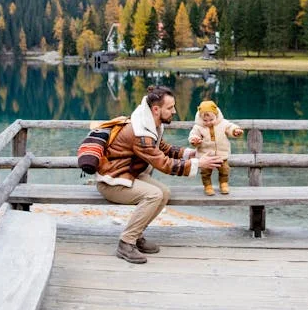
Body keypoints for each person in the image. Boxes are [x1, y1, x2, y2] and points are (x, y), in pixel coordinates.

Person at [96, 86, 223, 264]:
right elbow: (163, 163)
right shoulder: (140, 132)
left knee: (164, 192)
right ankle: (125, 243)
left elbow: (162, 148)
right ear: (156, 109)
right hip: (113, 182)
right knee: (153, 195)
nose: (174, 111)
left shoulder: (148, 123)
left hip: (128, 175)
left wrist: (190, 154)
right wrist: (198, 164)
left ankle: (136, 235)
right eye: (170, 108)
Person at [188, 100, 244, 196]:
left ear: (216, 115)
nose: (208, 122)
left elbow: (230, 127)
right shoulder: (198, 127)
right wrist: (195, 140)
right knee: (205, 172)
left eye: (211, 120)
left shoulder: (223, 123)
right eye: (205, 121)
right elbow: (193, 135)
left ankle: (223, 184)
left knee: (225, 169)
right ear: (200, 118)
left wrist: (235, 131)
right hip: (205, 155)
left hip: (221, 154)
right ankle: (208, 186)